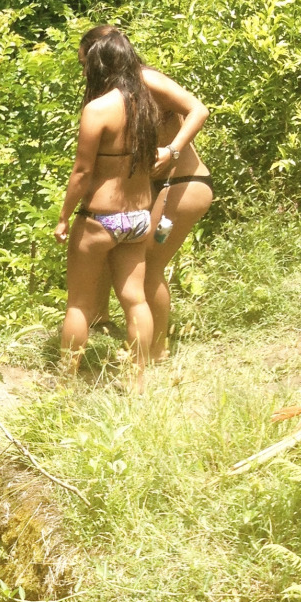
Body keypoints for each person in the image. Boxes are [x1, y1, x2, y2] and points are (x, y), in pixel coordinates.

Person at [80, 25, 211, 361]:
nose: (85, 72)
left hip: (182, 186)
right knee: (115, 250)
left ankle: (157, 351)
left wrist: (173, 151)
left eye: (85, 63)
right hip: (157, 190)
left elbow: (199, 109)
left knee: (150, 265)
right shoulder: (121, 93)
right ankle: (104, 324)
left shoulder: (146, 79)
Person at [53, 27, 159, 390]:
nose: (84, 71)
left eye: (85, 64)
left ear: (98, 65)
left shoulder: (98, 110)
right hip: (139, 216)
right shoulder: (146, 105)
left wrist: (64, 217)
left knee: (79, 305)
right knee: (135, 300)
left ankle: (66, 382)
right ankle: (137, 379)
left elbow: (82, 172)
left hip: (100, 218)